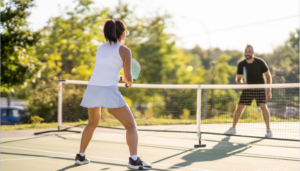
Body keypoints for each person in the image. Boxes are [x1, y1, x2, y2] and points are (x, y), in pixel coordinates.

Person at [74, 19, 152, 170]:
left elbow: (110, 74)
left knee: (92, 123)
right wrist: (129, 83)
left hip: (93, 88)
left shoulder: (100, 49)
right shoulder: (125, 51)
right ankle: (134, 160)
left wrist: (123, 78)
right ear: (123, 33)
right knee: (131, 125)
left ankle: (80, 156)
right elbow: (129, 79)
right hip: (108, 89)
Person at [225, 44, 273, 138]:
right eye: (246, 52)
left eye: (249, 52)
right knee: (239, 107)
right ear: (244, 52)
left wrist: (268, 91)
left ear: (253, 53)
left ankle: (268, 130)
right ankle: (233, 128)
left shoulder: (260, 62)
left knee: (263, 106)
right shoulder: (241, 64)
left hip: (260, 88)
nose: (247, 53)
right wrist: (242, 85)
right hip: (248, 89)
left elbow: (268, 76)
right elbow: (238, 79)